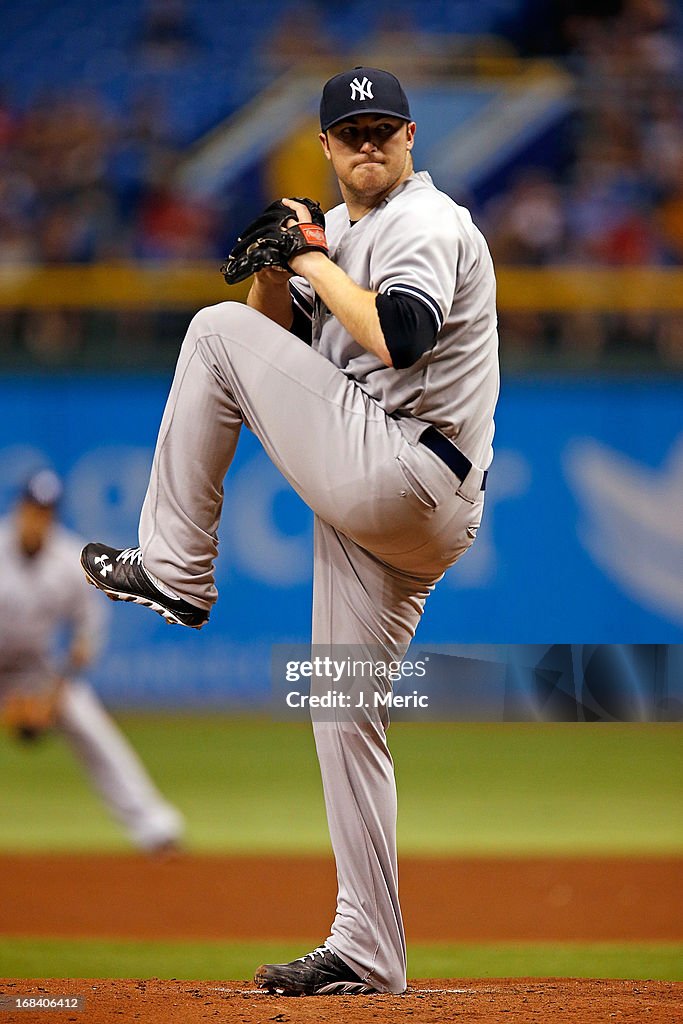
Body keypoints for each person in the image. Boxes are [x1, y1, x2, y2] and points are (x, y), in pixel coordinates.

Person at [80, 67, 499, 994]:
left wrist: (306, 256)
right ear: (323, 145)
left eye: (383, 129)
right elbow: (278, 347)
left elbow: (401, 335)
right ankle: (368, 948)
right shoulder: (341, 235)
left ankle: (176, 569)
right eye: (350, 131)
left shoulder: (425, 222)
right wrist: (280, 267)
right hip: (391, 500)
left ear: (411, 137)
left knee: (208, 332)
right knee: (341, 709)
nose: (367, 144)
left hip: (407, 470)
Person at [0, 469, 184, 853]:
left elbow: (84, 642)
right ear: (20, 508)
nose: (38, 517)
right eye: (33, 508)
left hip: (40, 674)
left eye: (46, 510)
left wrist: (50, 699)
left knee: (93, 728)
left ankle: (156, 829)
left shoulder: (70, 560)